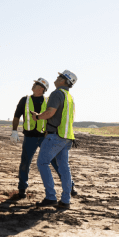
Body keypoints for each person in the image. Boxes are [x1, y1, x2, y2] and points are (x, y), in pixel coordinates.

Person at [10, 78, 76, 200]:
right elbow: (16, 116)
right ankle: (22, 188)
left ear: (41, 88)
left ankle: (70, 186)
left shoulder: (48, 100)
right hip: (30, 137)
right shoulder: (25, 100)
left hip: (45, 137)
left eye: (35, 84)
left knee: (55, 163)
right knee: (25, 162)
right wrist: (14, 131)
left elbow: (51, 115)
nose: (32, 85)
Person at [32, 70, 77, 209]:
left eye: (59, 77)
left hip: (55, 136)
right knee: (64, 168)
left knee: (42, 163)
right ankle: (65, 200)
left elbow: (50, 112)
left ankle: (50, 197)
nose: (56, 79)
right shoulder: (69, 97)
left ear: (63, 81)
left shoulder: (57, 93)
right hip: (67, 137)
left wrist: (38, 116)